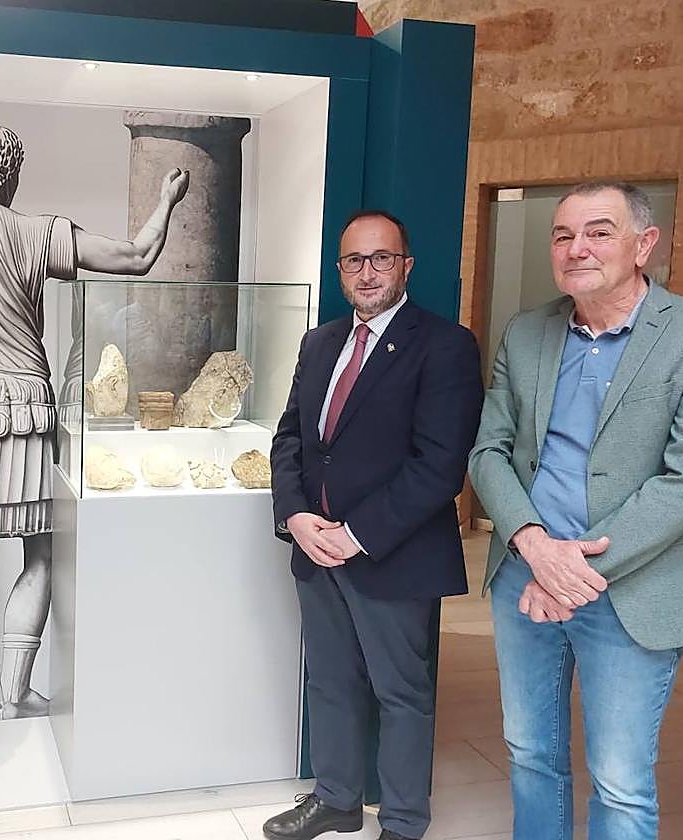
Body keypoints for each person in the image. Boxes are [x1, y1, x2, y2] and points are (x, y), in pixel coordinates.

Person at [0, 124, 188, 718]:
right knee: (40, 556)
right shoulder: (37, 233)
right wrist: (166, 201)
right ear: (12, 173)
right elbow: (135, 257)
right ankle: (14, 690)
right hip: (25, 413)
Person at [469, 181, 683, 840]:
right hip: (525, 579)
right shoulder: (525, 332)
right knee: (531, 756)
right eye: (563, 235)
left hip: (633, 588)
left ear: (644, 244)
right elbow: (488, 452)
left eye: (599, 232)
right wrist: (535, 548)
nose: (577, 248)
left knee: (621, 781)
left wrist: (575, 572)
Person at [264, 210, 484, 840]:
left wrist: (355, 534)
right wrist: (297, 515)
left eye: (380, 258)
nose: (366, 272)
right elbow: (290, 440)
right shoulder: (321, 341)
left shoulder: (444, 345)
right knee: (329, 681)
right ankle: (335, 798)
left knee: (402, 695)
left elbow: (440, 465)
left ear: (405, 265)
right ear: (340, 271)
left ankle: (404, 822)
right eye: (354, 261)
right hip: (316, 550)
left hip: (391, 555)